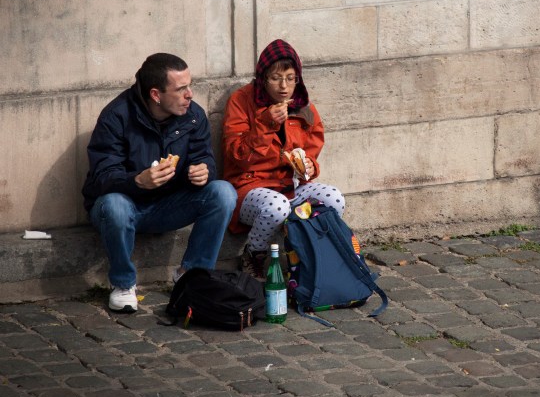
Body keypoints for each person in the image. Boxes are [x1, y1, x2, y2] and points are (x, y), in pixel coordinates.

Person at [82, 53, 237, 313]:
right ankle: (123, 284)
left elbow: (205, 159)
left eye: (190, 85)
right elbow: (101, 177)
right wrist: (137, 181)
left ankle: (192, 277)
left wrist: (204, 171)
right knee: (114, 204)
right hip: (123, 207)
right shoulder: (116, 116)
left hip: (169, 205)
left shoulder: (193, 115)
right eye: (181, 89)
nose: (190, 94)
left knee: (223, 192)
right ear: (156, 95)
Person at [222, 39, 345, 279]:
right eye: (275, 78)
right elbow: (237, 155)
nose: (284, 86)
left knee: (334, 199)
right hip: (249, 188)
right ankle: (252, 255)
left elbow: (310, 151)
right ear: (262, 77)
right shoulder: (241, 101)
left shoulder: (303, 105)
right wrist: (266, 122)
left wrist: (309, 167)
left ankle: (315, 256)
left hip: (291, 186)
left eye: (291, 78)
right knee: (277, 206)